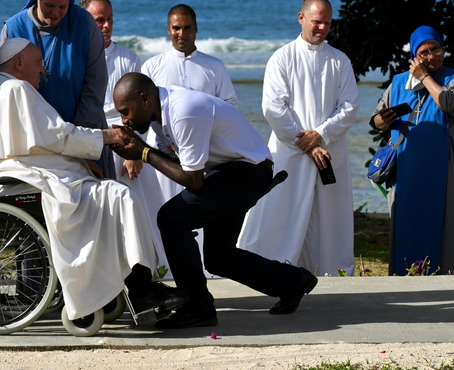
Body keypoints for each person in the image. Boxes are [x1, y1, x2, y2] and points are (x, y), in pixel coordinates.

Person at [0, 39, 184, 321]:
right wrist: (106, 137)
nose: (42, 71)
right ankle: (140, 289)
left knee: (110, 195)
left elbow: (42, 140)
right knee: (119, 196)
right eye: (37, 63)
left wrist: (82, 161)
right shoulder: (15, 88)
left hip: (24, 174)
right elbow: (59, 136)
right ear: (19, 63)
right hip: (30, 179)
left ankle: (122, 289)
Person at [111, 73, 318, 329]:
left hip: (246, 172)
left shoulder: (183, 111)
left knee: (172, 218)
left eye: (125, 111)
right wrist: (144, 149)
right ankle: (293, 282)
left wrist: (143, 152)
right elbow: (181, 165)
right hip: (230, 172)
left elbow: (194, 181)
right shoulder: (158, 115)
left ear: (144, 99)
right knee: (219, 257)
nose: (124, 119)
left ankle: (198, 308)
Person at [238, 0, 359, 276]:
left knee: (329, 219)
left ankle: (329, 272)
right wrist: (304, 142)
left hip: (329, 151)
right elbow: (272, 107)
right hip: (289, 153)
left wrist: (321, 134)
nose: (322, 28)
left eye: (327, 23)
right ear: (301, 18)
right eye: (317, 22)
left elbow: (350, 106)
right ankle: (267, 272)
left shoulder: (339, 61)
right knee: (279, 215)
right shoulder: (282, 58)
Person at [370, 25, 454, 275]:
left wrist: (424, 77)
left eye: (436, 49)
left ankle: (451, 273)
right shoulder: (399, 82)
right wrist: (383, 120)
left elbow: (450, 105)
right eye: (424, 52)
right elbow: (376, 120)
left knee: (449, 222)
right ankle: (406, 272)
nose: (431, 56)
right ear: (413, 56)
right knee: (408, 221)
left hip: (447, 161)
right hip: (407, 164)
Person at [79, 0, 167, 269]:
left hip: (123, 140)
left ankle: (143, 267)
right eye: (99, 20)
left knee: (137, 209)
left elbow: (140, 111)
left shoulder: (128, 58)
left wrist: (134, 151)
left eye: (109, 20)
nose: (106, 26)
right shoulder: (76, 56)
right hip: (88, 140)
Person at [0, 0, 112, 176]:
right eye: (49, 5)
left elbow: (95, 85)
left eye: (63, 7)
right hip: (33, 139)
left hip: (84, 129)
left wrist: (80, 145)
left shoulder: (84, 24)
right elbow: (3, 87)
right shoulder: (14, 28)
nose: (56, 13)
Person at [142, 4, 237, 204]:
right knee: (163, 210)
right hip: (164, 154)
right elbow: (141, 112)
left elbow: (230, 107)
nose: (181, 33)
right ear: (168, 29)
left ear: (196, 29)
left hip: (205, 154)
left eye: (187, 28)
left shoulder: (214, 66)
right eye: (176, 28)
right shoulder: (151, 66)